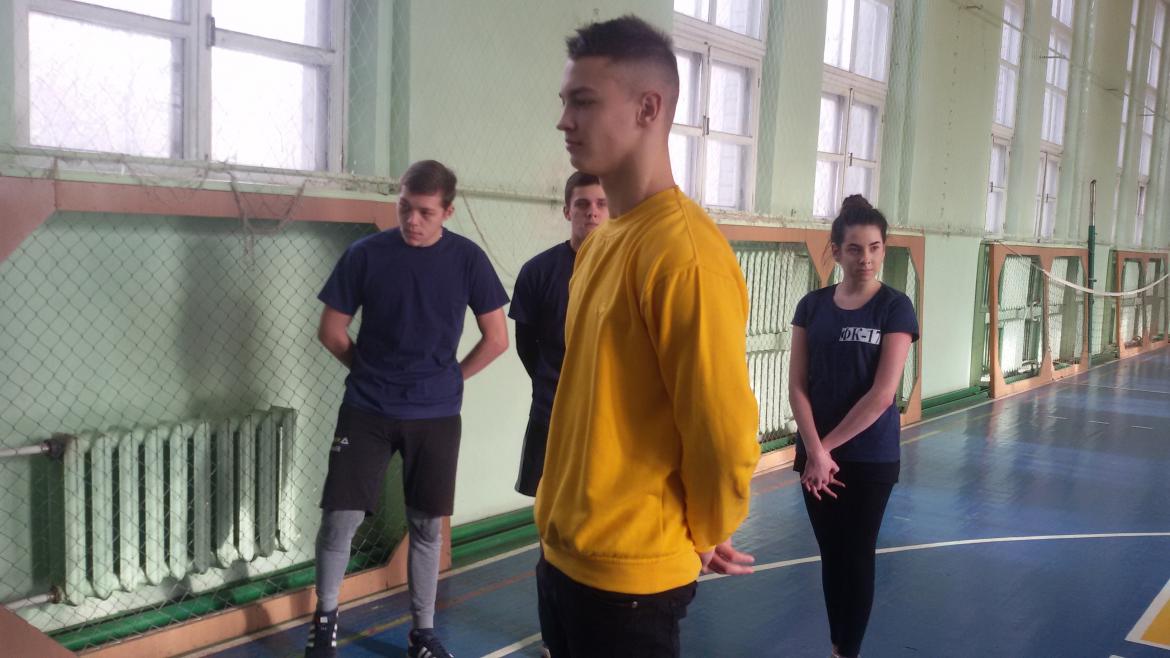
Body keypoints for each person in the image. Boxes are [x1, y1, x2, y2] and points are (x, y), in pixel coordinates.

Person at [535, 16, 761, 657]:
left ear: (647, 109)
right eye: (565, 102)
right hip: (564, 559)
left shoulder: (685, 254)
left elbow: (720, 429)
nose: (564, 121)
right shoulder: (602, 243)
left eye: (583, 102)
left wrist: (707, 526)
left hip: (630, 582)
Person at [305, 160, 510, 658]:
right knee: (340, 519)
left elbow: (497, 338)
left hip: (435, 416)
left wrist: (450, 380)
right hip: (367, 409)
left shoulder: (467, 259)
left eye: (425, 212)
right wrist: (369, 372)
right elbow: (331, 331)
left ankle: (423, 633)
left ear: (447, 212)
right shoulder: (365, 255)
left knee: (426, 525)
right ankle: (325, 623)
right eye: (404, 208)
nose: (412, 220)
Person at [788, 195, 919, 658]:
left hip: (868, 458)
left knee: (857, 554)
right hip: (815, 458)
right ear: (837, 252)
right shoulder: (811, 307)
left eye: (875, 248)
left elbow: (882, 394)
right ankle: (836, 644)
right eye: (855, 249)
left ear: (884, 249)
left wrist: (824, 449)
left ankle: (848, 651)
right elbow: (797, 386)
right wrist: (814, 452)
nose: (866, 258)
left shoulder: (895, 308)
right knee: (831, 555)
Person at [509, 172, 609, 497]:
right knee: (550, 506)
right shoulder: (537, 272)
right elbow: (526, 345)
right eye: (582, 204)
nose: (592, 212)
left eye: (601, 204)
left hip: (610, 418)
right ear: (567, 211)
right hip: (551, 411)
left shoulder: (629, 270)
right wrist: (555, 383)